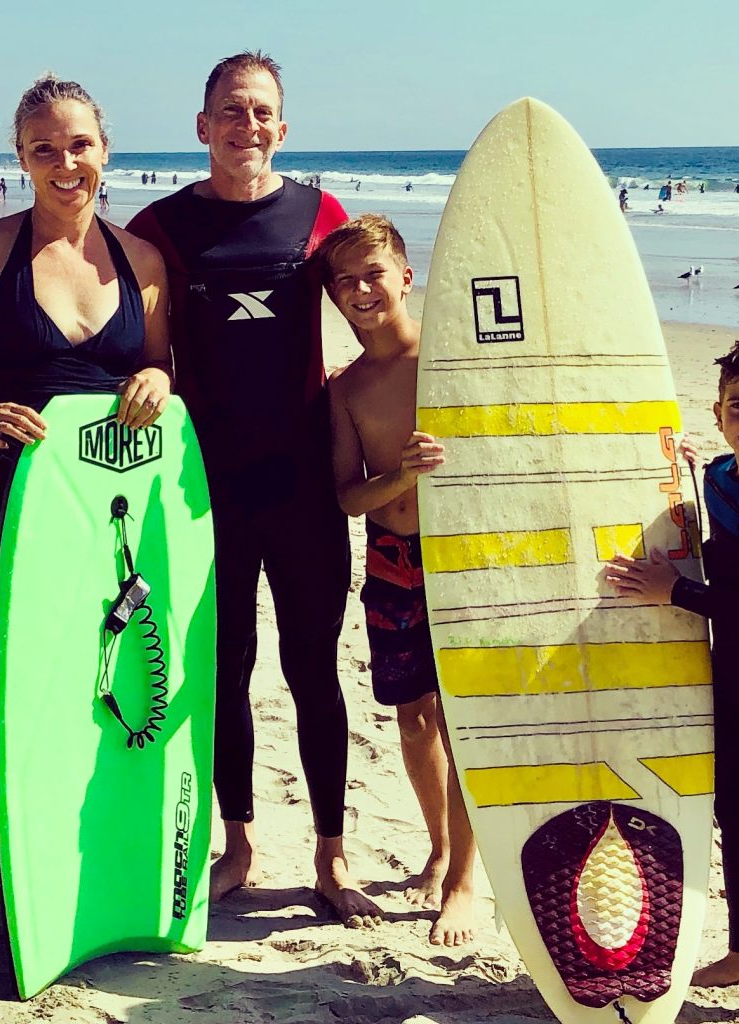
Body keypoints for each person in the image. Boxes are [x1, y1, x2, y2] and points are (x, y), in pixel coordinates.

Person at [0, 73, 172, 962]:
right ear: (19, 158)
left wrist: (157, 381)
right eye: (44, 148)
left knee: (87, 700)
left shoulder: (142, 263)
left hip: (102, 520)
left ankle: (55, 875)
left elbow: (162, 373)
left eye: (80, 145)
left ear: (105, 150)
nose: (66, 163)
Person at [127, 50, 382, 928]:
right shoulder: (157, 229)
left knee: (315, 670)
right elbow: (137, 351)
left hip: (308, 484)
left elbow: (384, 325)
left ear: (284, 128)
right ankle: (238, 844)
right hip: (207, 488)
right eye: (230, 110)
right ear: (202, 127)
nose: (248, 124)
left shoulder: (321, 216)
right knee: (222, 669)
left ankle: (331, 857)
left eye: (263, 110)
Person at [605, 331, 739, 1024]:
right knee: (734, 816)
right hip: (727, 671)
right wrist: (683, 482)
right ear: (719, 410)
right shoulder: (727, 478)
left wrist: (670, 590)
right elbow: (714, 543)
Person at [320, 214, 476, 947]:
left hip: (462, 557)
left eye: (373, 273)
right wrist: (399, 476)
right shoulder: (347, 389)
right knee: (412, 718)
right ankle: (438, 847)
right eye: (344, 281)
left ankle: (463, 882)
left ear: (406, 277)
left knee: (460, 717)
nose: (360, 289)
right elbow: (347, 495)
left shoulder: (451, 360)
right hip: (390, 557)